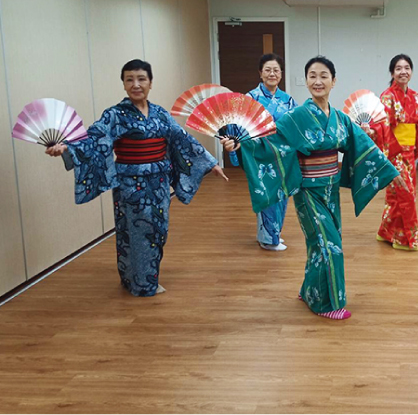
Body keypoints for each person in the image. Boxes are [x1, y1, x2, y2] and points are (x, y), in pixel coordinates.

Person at [223, 56, 399, 320]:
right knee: (330, 245)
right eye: (312, 76)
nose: (318, 81)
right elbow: (270, 143)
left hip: (331, 190)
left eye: (324, 76)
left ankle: (309, 291)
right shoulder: (295, 117)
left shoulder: (339, 118)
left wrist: (389, 170)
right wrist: (241, 145)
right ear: (306, 81)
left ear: (333, 81)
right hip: (307, 190)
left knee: (319, 243)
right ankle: (327, 304)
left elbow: (361, 143)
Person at [46, 59, 228, 297]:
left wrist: (209, 162)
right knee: (138, 232)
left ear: (150, 83)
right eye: (129, 79)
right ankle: (144, 285)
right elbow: (94, 138)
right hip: (130, 184)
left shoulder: (160, 113)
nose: (136, 84)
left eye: (141, 79)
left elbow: (181, 138)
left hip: (159, 182)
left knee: (158, 230)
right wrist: (67, 148)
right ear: (123, 84)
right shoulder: (114, 115)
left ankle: (131, 277)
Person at [365, 54, 418, 251]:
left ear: (411, 72)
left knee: (395, 195)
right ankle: (406, 240)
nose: (403, 72)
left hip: (409, 153)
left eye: (407, 68)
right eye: (398, 68)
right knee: (406, 194)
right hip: (394, 152)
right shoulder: (387, 97)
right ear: (392, 73)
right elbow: (381, 125)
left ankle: (385, 232)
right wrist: (373, 133)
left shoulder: (416, 97)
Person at [228, 53, 298, 251]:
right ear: (260, 73)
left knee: (281, 194)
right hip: (259, 154)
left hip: (282, 155)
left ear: (281, 73)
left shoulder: (288, 100)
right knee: (266, 194)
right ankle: (267, 239)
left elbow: (295, 124)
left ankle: (274, 234)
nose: (272, 74)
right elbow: (236, 125)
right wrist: (236, 143)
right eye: (267, 70)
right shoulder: (250, 99)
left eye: (276, 70)